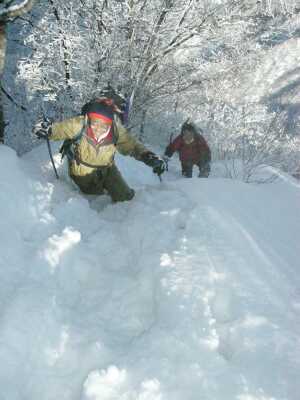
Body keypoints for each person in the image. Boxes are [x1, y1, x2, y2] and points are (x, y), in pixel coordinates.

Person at [34, 98, 166, 202]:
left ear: (110, 123)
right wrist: (48, 130)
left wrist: (147, 156)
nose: (98, 127)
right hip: (82, 172)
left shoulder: (115, 130)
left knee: (126, 198)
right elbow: (61, 129)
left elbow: (132, 145)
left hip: (108, 170)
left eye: (103, 124)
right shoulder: (80, 123)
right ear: (89, 119)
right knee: (92, 198)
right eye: (94, 122)